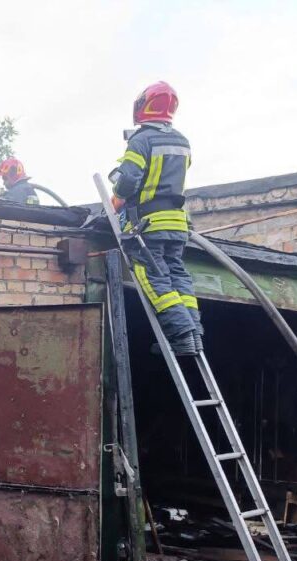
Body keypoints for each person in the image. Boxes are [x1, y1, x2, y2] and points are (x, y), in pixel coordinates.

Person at [109, 81, 203, 355]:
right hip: (177, 223)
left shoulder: (141, 140)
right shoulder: (182, 141)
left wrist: (117, 197)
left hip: (148, 223)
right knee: (178, 276)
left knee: (152, 276)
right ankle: (194, 334)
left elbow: (128, 180)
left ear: (143, 106)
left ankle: (181, 335)